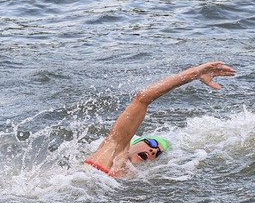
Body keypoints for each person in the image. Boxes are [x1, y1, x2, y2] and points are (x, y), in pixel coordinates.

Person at [82, 62, 236, 178]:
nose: (153, 150)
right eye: (152, 143)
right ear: (133, 142)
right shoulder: (111, 151)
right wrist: (194, 73)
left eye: (158, 153)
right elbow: (143, 99)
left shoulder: (131, 180)